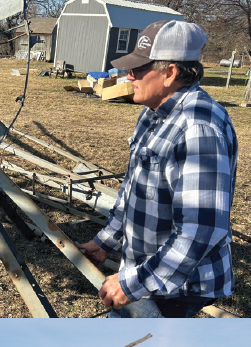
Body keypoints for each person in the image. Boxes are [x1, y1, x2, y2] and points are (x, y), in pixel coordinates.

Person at [78, 19, 238, 318]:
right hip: (146, 275)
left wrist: (133, 283)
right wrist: (105, 243)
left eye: (138, 69)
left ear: (170, 73)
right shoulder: (153, 114)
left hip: (178, 286)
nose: (129, 75)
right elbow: (133, 190)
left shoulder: (198, 127)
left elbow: (201, 230)